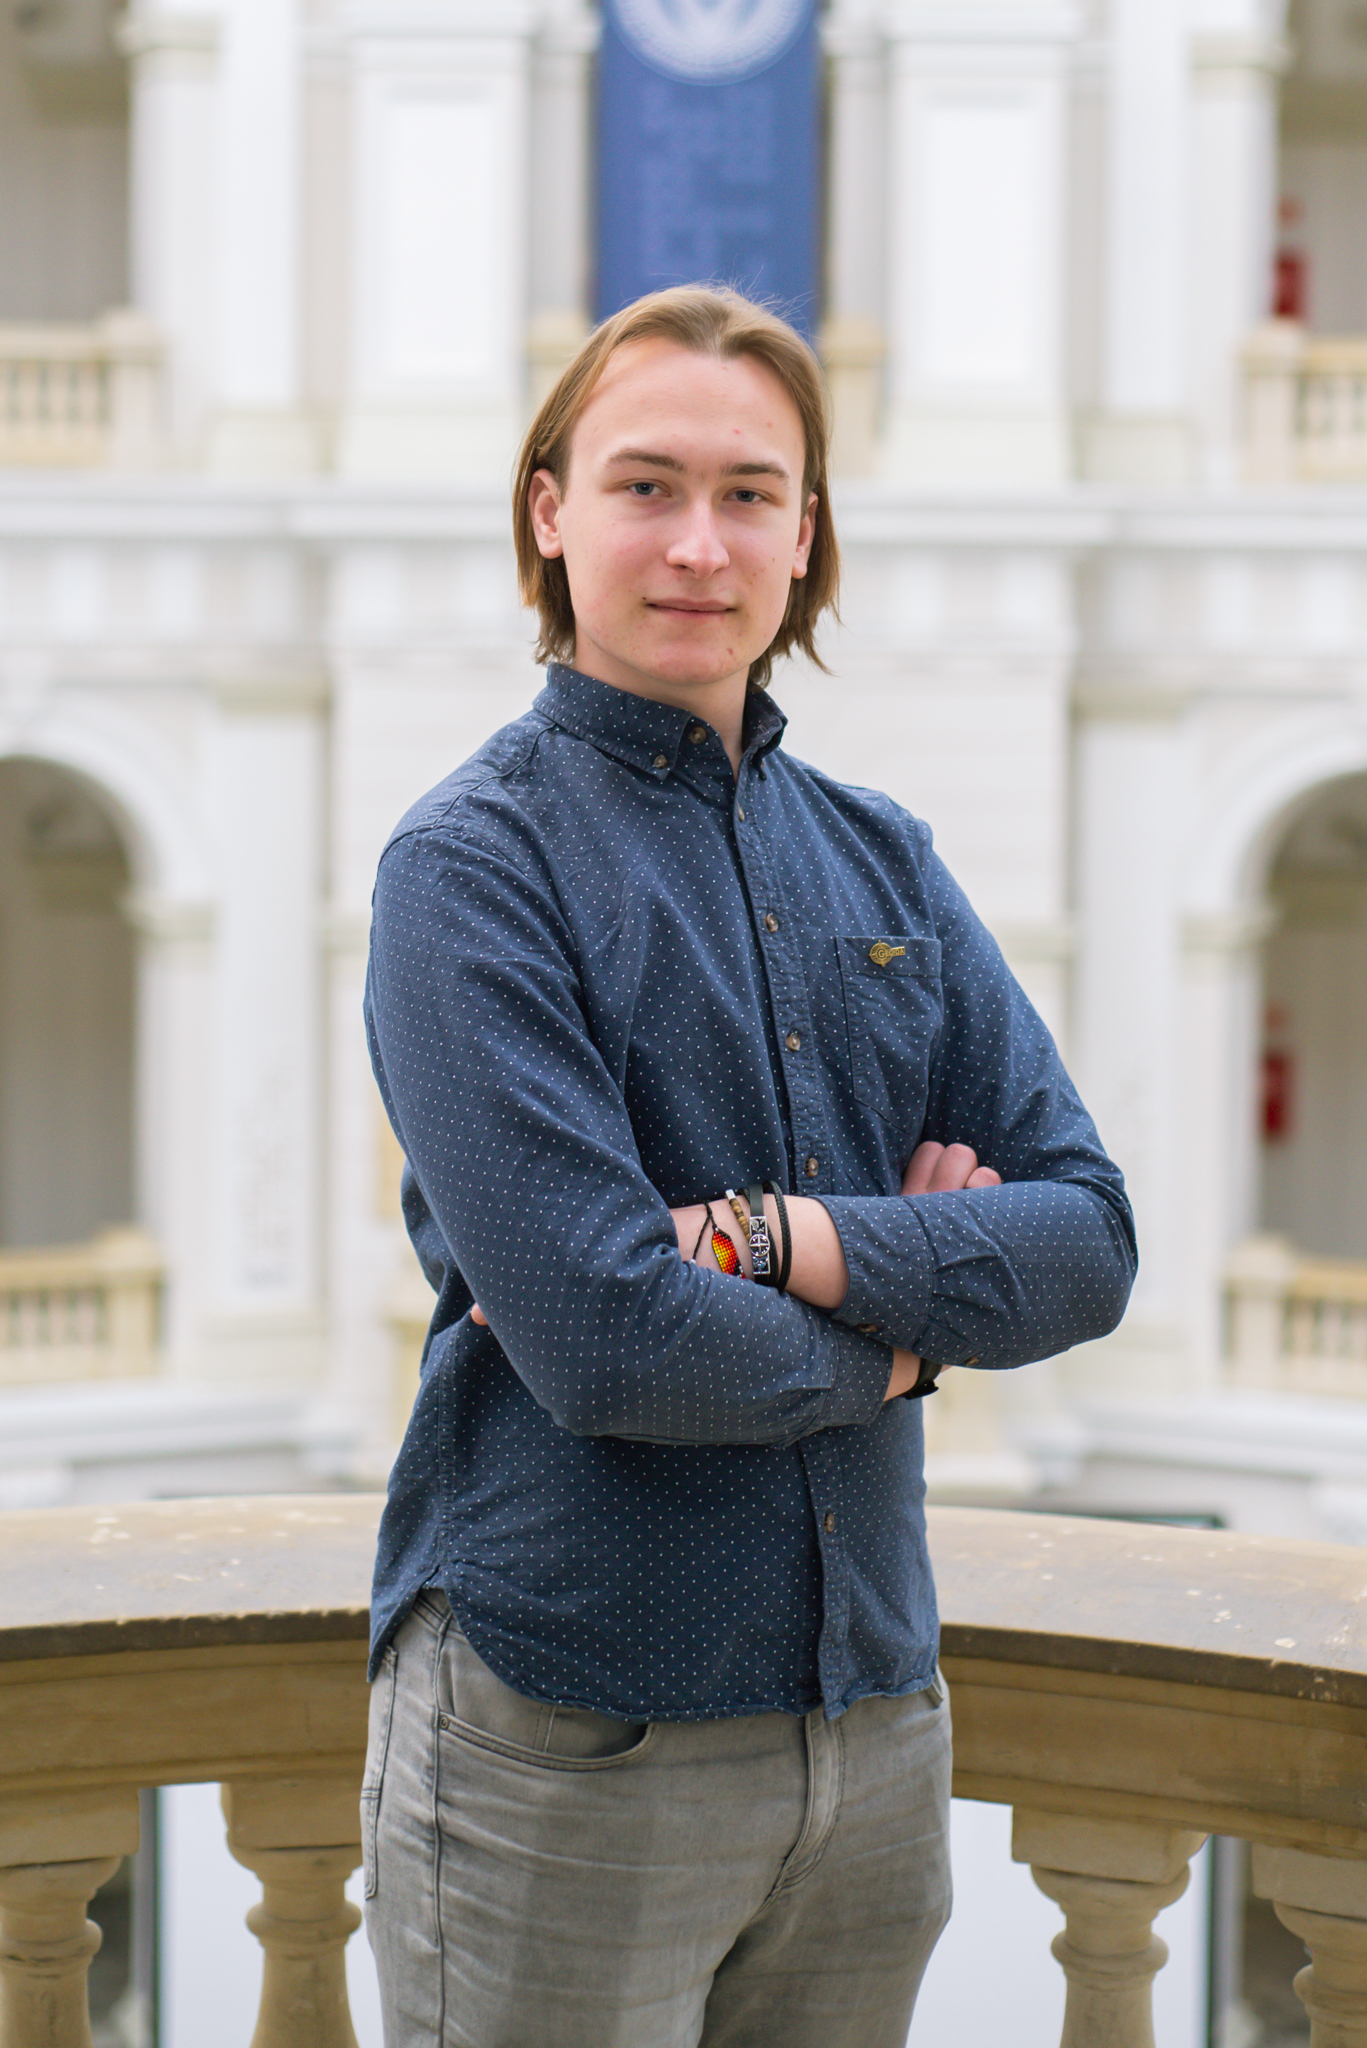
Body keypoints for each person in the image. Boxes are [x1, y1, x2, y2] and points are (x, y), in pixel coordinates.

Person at [361, 284, 1136, 2047]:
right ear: (550, 513)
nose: (699, 545)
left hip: (875, 1721)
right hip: (569, 1732)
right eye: (645, 486)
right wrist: (915, 1337)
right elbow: (609, 1341)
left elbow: (1089, 1237)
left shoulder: (885, 858)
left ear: (806, 533)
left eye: (749, 494)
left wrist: (773, 1239)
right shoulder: (469, 869)